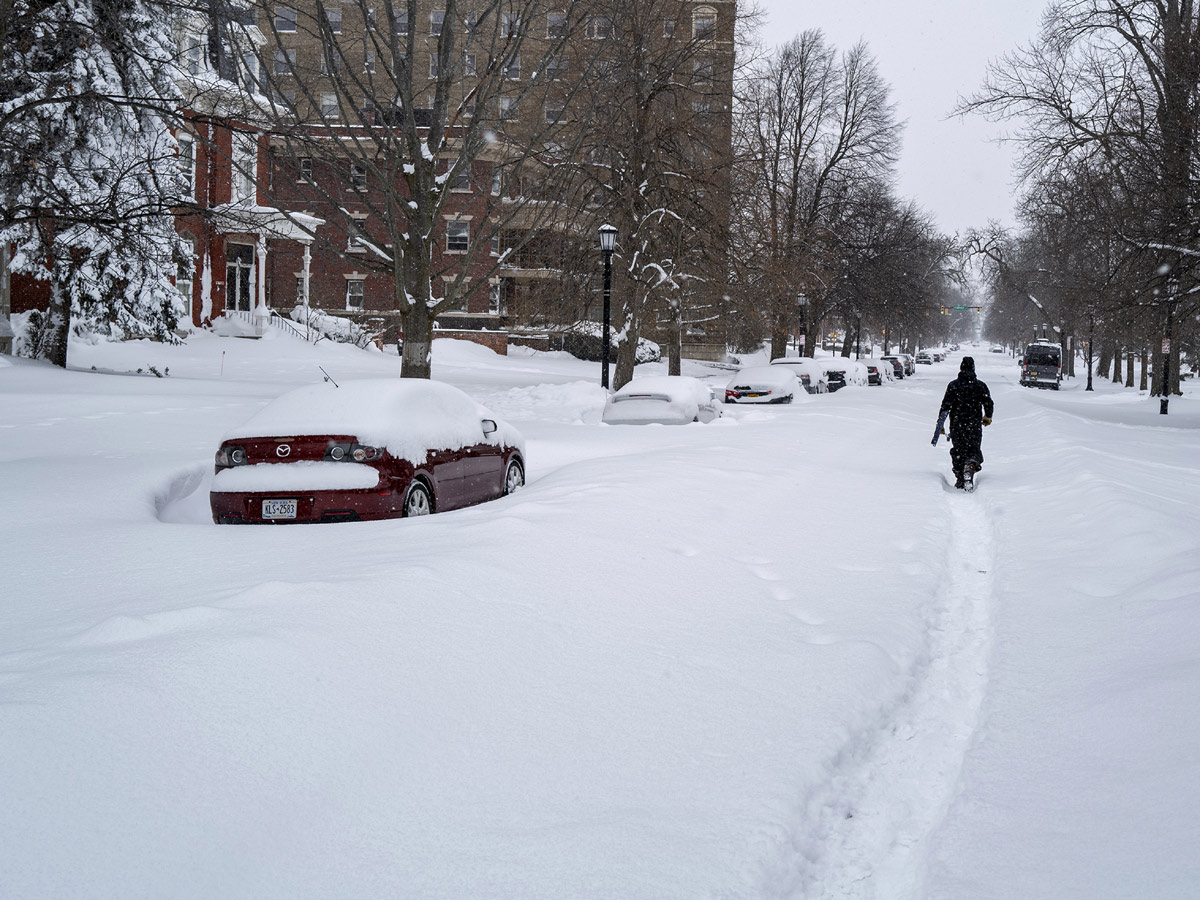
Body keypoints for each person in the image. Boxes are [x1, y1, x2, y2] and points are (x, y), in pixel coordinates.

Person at [939, 356, 994, 489]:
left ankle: (960, 477)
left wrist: (940, 424)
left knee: (958, 450)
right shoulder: (980, 386)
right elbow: (988, 403)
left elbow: (945, 405)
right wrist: (987, 417)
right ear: (973, 368)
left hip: (957, 424)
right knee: (973, 449)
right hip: (974, 424)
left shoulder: (953, 385)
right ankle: (970, 468)